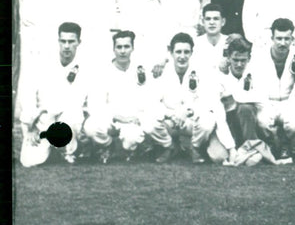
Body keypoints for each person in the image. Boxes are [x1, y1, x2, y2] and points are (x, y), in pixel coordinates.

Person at [84, 31, 165, 163]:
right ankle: (107, 145)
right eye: (119, 47)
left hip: (133, 119)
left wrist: (137, 117)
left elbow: (150, 99)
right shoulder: (103, 72)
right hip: (110, 118)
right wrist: (117, 117)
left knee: (131, 138)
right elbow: (96, 104)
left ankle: (133, 149)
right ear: (113, 49)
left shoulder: (141, 70)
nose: (122, 51)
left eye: (126, 47)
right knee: (91, 127)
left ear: (132, 48)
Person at [19, 22, 90, 166]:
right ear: (58, 41)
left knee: (71, 117)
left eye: (71, 41)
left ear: (78, 42)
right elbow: (28, 97)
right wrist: (30, 126)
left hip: (68, 122)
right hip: (42, 122)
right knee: (29, 161)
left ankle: (68, 150)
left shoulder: (86, 69)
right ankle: (50, 148)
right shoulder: (42, 65)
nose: (66, 46)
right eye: (63, 41)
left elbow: (88, 103)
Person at [207, 34, 282, 166]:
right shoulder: (218, 75)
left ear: (249, 58)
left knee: (245, 108)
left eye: (243, 60)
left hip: (249, 123)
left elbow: (262, 101)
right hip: (225, 124)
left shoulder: (256, 73)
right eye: (235, 60)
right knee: (218, 157)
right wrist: (230, 148)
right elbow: (219, 116)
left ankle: (252, 147)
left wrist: (234, 99)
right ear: (228, 58)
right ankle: (252, 152)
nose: (239, 64)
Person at [150, 32, 225, 163]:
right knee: (148, 122)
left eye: (186, 52)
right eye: (178, 52)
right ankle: (169, 146)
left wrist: (188, 111)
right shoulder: (162, 72)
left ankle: (194, 147)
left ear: (191, 53)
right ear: (171, 53)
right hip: (170, 121)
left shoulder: (201, 71)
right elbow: (154, 102)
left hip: (191, 120)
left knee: (208, 121)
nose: (182, 56)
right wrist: (171, 114)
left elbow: (207, 101)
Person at [250, 18, 295, 164]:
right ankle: (272, 142)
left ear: (292, 38)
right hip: (267, 101)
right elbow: (255, 85)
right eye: (279, 38)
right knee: (262, 122)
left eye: (287, 39)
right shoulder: (259, 56)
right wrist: (263, 105)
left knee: (294, 124)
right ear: (272, 38)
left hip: (289, 101)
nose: (282, 43)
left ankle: (286, 143)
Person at [191, 4, 229, 73]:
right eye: (208, 19)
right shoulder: (194, 44)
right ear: (203, 22)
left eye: (216, 19)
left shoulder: (229, 42)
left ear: (223, 22)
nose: (212, 22)